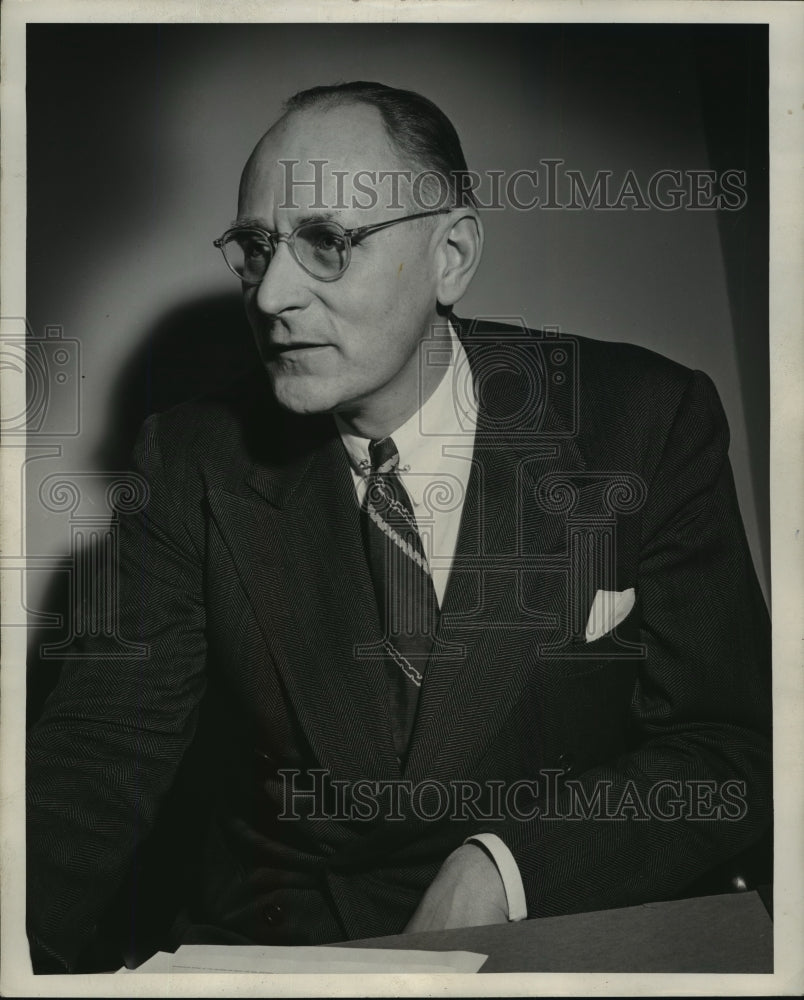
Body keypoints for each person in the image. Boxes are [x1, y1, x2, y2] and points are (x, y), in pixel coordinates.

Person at [26, 81, 772, 973]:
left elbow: (732, 746)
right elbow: (99, 757)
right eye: (257, 248)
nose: (271, 297)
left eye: (326, 244)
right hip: (287, 947)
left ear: (451, 255)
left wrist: (507, 865)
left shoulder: (645, 422)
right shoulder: (191, 459)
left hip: (565, 931)